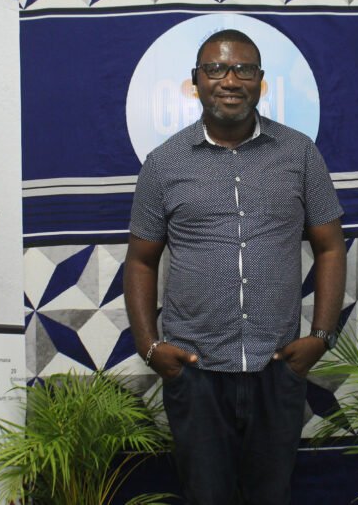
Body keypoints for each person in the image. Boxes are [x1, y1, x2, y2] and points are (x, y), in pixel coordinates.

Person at [124, 29, 346, 505]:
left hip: (278, 365)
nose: (230, 79)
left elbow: (330, 247)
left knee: (273, 496)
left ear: (261, 82)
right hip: (195, 369)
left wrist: (321, 337)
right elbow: (142, 260)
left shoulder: (300, 153)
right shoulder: (163, 164)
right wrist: (149, 347)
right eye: (216, 69)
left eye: (244, 69)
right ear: (196, 81)